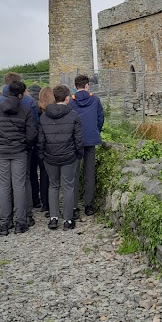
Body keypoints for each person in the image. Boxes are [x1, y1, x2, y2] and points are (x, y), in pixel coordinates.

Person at [0, 80, 37, 236]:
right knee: (19, 186)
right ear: (21, 95)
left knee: (3, 186)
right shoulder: (26, 110)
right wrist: (24, 144)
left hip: (1, 152)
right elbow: (31, 134)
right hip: (19, 151)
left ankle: (4, 223)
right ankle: (21, 222)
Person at [38, 85, 83, 231]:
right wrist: (79, 153)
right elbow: (78, 138)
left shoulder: (44, 116)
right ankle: (68, 220)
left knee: (53, 185)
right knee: (68, 186)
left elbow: (41, 139)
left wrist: (42, 155)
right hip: (69, 156)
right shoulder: (74, 115)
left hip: (50, 156)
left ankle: (53, 218)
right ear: (67, 98)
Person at [69, 74, 104, 217]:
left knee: (74, 174)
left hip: (75, 141)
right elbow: (100, 118)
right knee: (89, 174)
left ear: (76, 86)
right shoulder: (95, 100)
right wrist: (95, 130)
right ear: (87, 85)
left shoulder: (71, 102)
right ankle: (89, 206)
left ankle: (74, 207)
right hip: (90, 139)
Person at [37, 87, 55, 217]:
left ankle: (45, 203)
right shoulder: (56, 111)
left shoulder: (40, 113)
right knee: (54, 179)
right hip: (55, 148)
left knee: (43, 176)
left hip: (43, 148)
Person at [27, 84, 42, 208]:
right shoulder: (43, 106)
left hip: (31, 142)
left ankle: (34, 198)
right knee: (44, 172)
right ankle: (43, 199)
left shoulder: (29, 105)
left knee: (31, 172)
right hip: (42, 143)